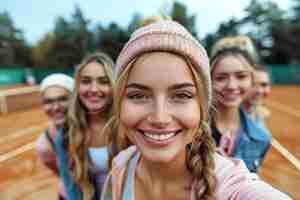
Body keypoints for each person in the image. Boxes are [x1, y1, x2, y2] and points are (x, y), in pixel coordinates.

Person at [101, 20, 291, 200]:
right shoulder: (121, 166)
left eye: (182, 95)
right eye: (138, 95)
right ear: (119, 103)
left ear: (202, 107)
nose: (160, 118)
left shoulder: (228, 182)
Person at [36, 73, 74, 199]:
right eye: (48, 101)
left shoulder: (101, 128)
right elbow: (62, 174)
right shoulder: (44, 146)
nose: (56, 107)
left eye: (63, 99)